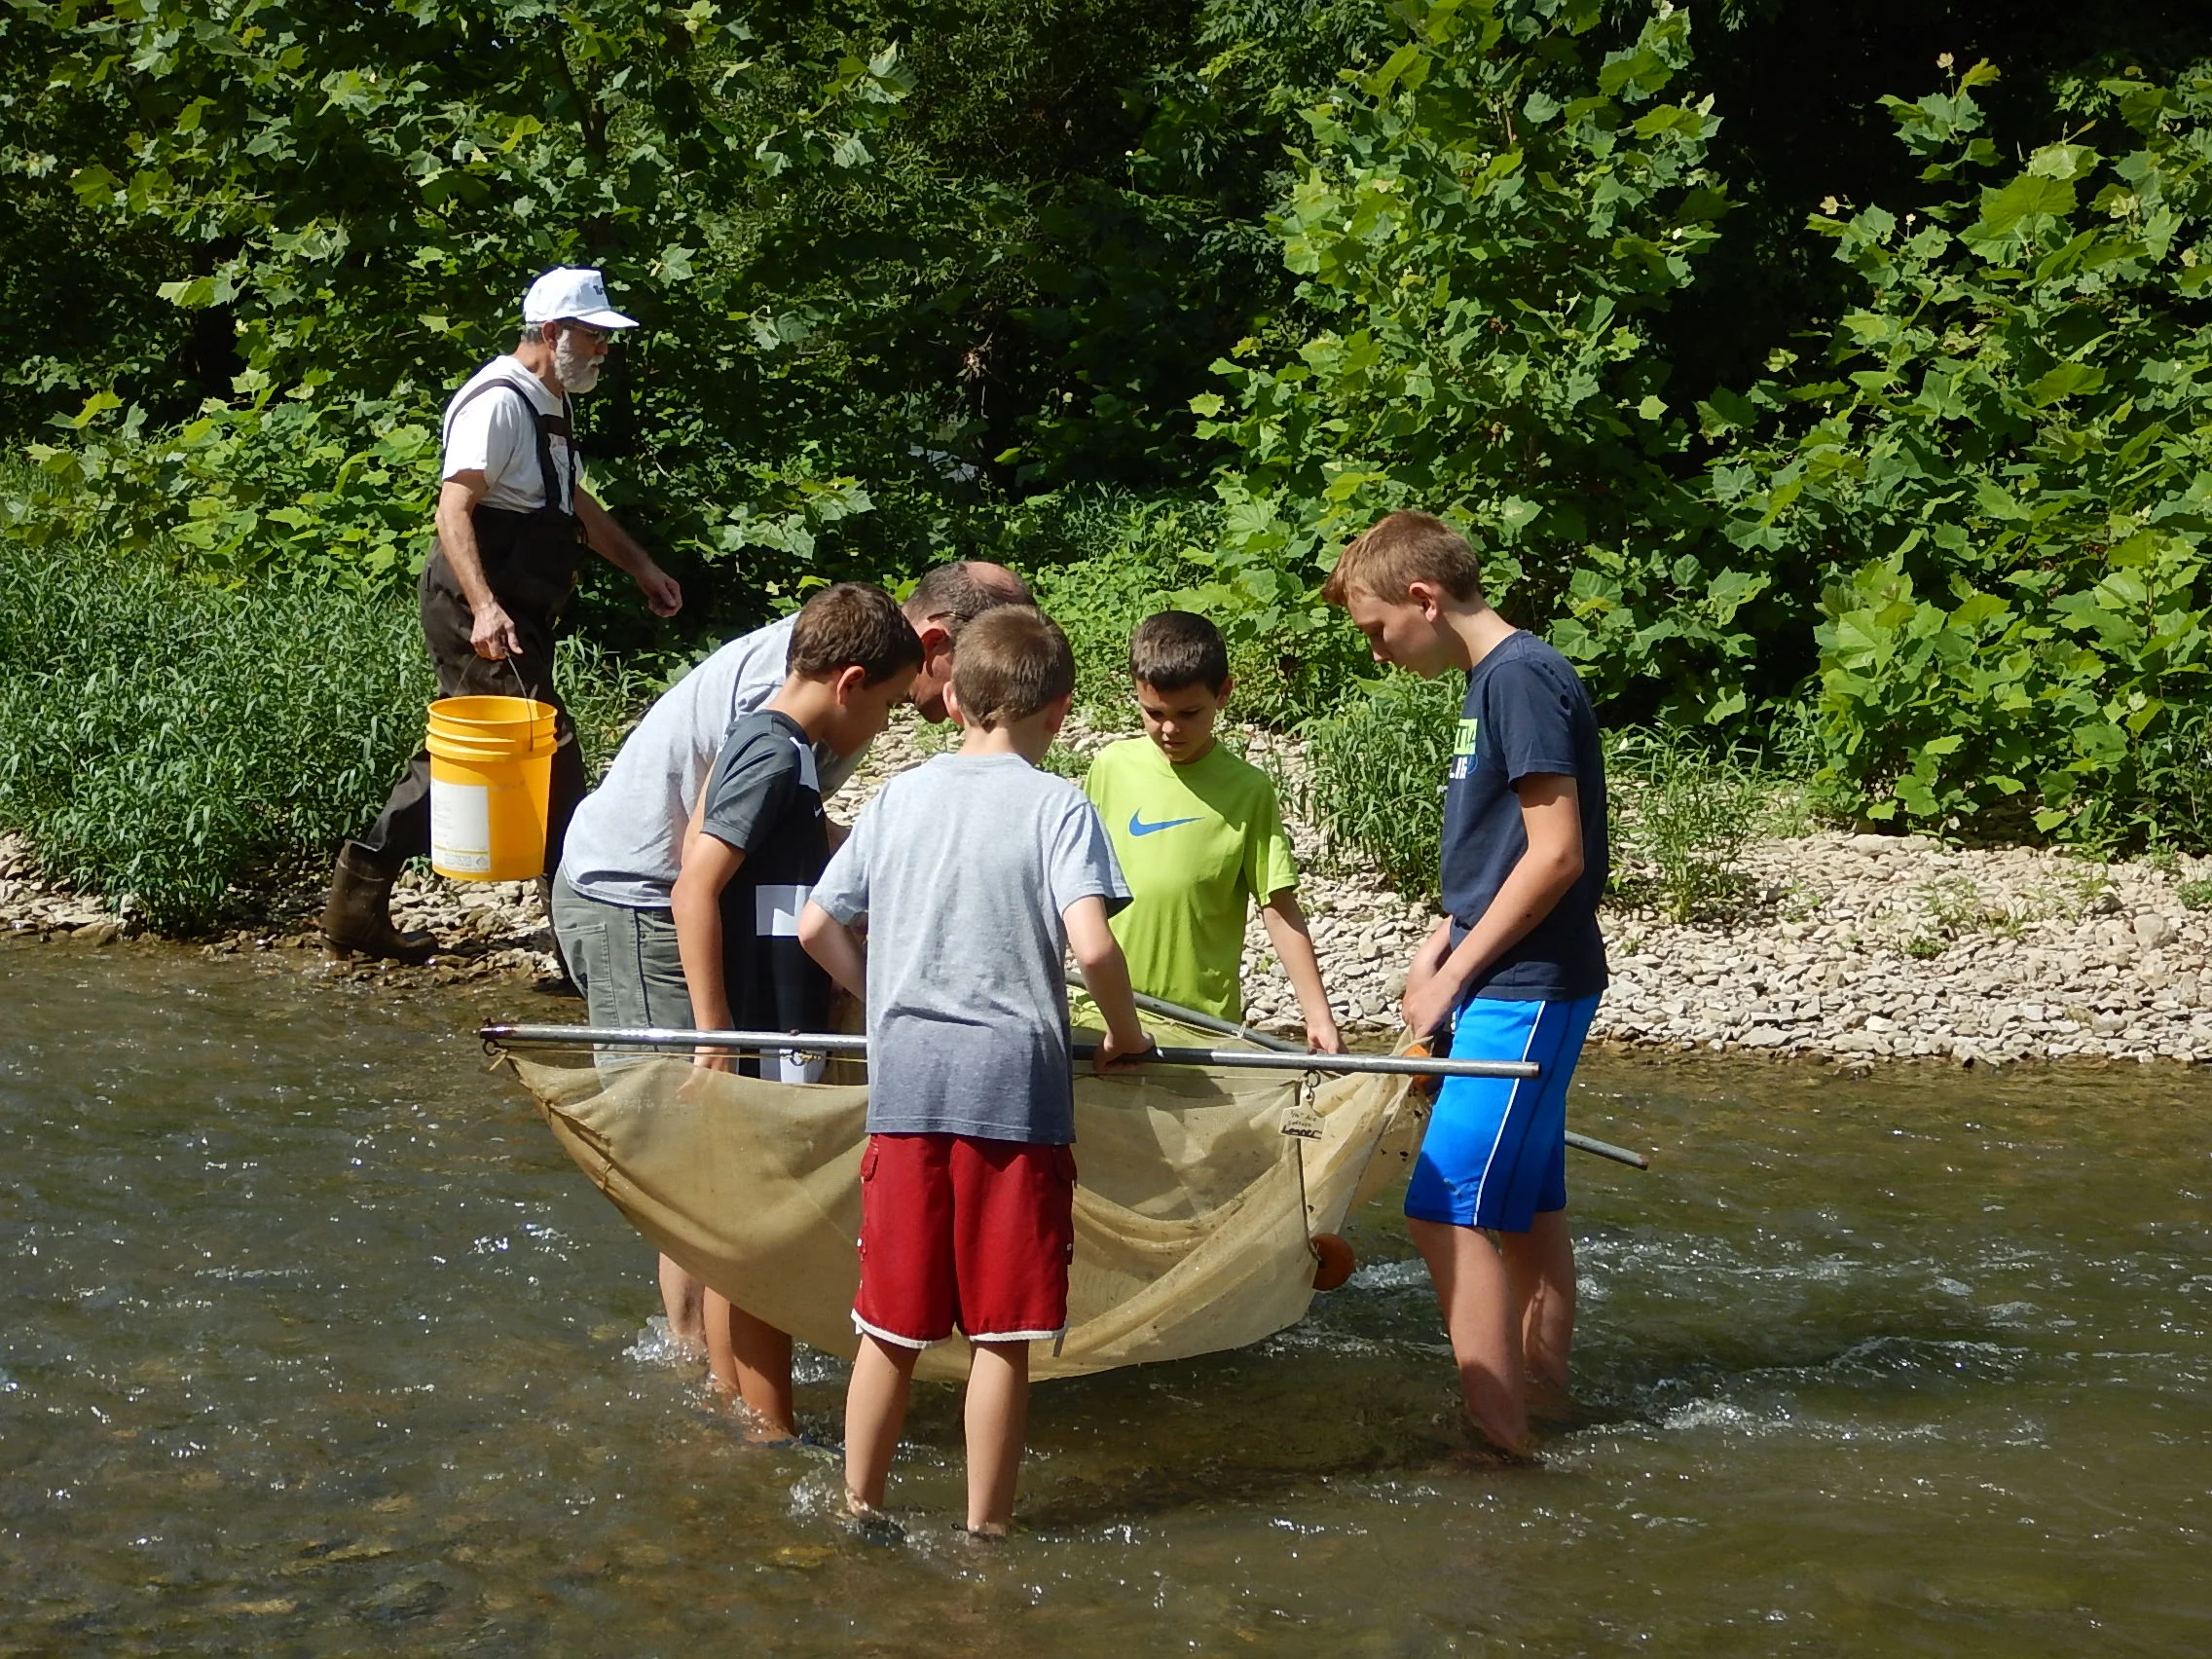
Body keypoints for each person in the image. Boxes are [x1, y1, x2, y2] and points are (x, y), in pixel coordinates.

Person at [552, 559, 1029, 1349]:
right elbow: (702, 866)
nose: (950, 704)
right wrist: (717, 1031)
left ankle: (715, 1357)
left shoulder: (831, 679)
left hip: (694, 899)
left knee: (721, 1157)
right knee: (693, 1157)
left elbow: (788, 834)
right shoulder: (784, 709)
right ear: (933, 644)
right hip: (638, 897)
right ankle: (698, 1364)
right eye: (962, 673)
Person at [797, 606, 1153, 1536]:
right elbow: (1092, 946)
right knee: (1002, 1333)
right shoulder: (1059, 806)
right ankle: (985, 1532)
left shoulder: (898, 798)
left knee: (889, 1327)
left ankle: (859, 1508)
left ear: (952, 699)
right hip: (1015, 1098)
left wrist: (882, 994)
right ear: (1060, 711)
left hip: (907, 1091)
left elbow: (817, 926)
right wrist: (1124, 1034)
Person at [1321, 510, 1608, 1457]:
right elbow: (1500, 852)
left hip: (1523, 989)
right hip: (1513, 976)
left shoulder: (1518, 679)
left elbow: (1557, 853)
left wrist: (1456, 976)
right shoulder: (1501, 678)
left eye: (1376, 630)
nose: (1377, 652)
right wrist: (1440, 937)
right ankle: (1542, 1404)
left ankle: (1499, 1444)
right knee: (1528, 1215)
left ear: (1424, 598)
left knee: (1441, 1211)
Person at [320, 266, 683, 964]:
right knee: (550, 756)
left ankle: (356, 909)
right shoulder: (497, 402)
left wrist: (642, 567)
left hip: (520, 608)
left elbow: (570, 501)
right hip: (476, 607)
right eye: (594, 335)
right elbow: (453, 509)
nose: (604, 349)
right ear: (552, 332)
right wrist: (485, 609)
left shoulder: (552, 399)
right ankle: (582, 945)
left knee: (471, 755)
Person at [666, 583, 922, 1438]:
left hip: (777, 1019)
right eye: (888, 704)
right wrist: (716, 1034)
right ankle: (771, 1433)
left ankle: (736, 1410)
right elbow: (694, 886)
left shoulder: (774, 746)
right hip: (763, 1031)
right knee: (768, 1241)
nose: (883, 723)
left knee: (744, 1230)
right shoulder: (778, 755)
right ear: (850, 684)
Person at [1082, 610, 1344, 1053]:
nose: (1170, 729)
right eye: (1154, 713)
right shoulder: (1111, 767)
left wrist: (1318, 1016)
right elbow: (1076, 889)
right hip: (1103, 1015)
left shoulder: (1248, 789)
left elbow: (1278, 906)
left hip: (1200, 1026)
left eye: (1189, 713)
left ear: (1223, 694)